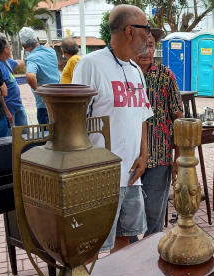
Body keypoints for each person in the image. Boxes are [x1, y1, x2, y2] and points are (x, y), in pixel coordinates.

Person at [72, 4, 152, 252]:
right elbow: (74, 122)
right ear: (130, 31)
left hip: (131, 175)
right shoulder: (90, 65)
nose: (149, 35)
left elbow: (141, 116)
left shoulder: (136, 70)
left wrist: (143, 154)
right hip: (100, 178)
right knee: (93, 246)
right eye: (145, 29)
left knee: (125, 239)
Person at [133, 27, 184, 237]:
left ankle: (150, 260)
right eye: (142, 45)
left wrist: (179, 157)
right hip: (127, 158)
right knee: (127, 218)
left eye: (151, 45)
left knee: (153, 216)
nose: (146, 50)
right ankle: (131, 261)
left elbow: (178, 117)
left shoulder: (165, 76)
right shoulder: (124, 75)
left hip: (159, 157)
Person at [19, 27, 60, 125]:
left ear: (23, 46)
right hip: (58, 101)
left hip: (44, 106)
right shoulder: (51, 52)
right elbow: (46, 47)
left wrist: (38, 89)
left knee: (46, 136)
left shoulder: (32, 59)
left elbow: (30, 76)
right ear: (37, 39)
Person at [0, 34, 27, 130]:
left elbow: (20, 63)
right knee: (10, 139)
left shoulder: (7, 61)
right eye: (9, 46)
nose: (11, 49)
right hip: (8, 110)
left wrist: (33, 60)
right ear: (5, 49)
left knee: (25, 135)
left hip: (18, 106)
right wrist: (6, 112)